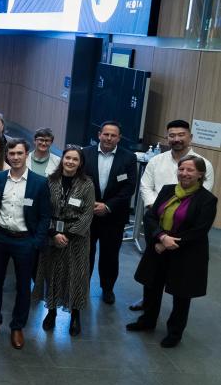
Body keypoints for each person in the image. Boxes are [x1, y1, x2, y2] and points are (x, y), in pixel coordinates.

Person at [127, 156, 217, 347]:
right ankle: (147, 321)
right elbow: (150, 217)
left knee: (181, 295)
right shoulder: (168, 190)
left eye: (190, 170)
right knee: (151, 286)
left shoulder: (207, 200)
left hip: (186, 253)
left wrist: (169, 242)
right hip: (159, 246)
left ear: (200, 174)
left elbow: (199, 230)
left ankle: (174, 333)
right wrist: (161, 237)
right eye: (181, 169)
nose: (184, 173)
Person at [132, 119, 215, 311]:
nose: (176, 139)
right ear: (167, 137)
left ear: (190, 137)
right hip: (158, 225)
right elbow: (146, 185)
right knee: (152, 275)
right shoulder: (156, 161)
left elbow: (203, 197)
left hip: (184, 232)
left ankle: (175, 328)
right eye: (172, 135)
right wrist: (156, 208)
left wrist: (169, 236)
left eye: (181, 135)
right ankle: (148, 306)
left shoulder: (204, 164)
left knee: (180, 282)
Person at [0, 139, 51, 350]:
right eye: (11, 153)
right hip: (0, 238)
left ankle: (17, 326)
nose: (15, 157)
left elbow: (45, 216)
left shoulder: (39, 182)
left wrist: (36, 242)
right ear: (7, 155)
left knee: (23, 287)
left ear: (26, 154)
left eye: (19, 153)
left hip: (25, 242)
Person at [34, 146, 95, 336]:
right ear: (62, 160)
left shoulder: (87, 184)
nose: (70, 162)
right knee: (51, 274)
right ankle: (51, 312)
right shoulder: (50, 181)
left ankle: (75, 315)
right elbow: (43, 210)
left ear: (80, 163)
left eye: (75, 159)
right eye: (67, 158)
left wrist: (69, 235)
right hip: (53, 236)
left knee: (76, 275)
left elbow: (88, 213)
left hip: (77, 239)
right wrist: (53, 233)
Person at [82, 121, 137, 305]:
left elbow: (129, 188)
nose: (109, 138)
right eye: (106, 134)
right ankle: (82, 287)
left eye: (113, 135)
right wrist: (91, 204)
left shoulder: (128, 158)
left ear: (119, 138)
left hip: (113, 217)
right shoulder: (85, 153)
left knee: (110, 255)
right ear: (99, 134)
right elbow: (78, 183)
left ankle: (107, 289)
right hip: (87, 215)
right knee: (85, 253)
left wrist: (107, 206)